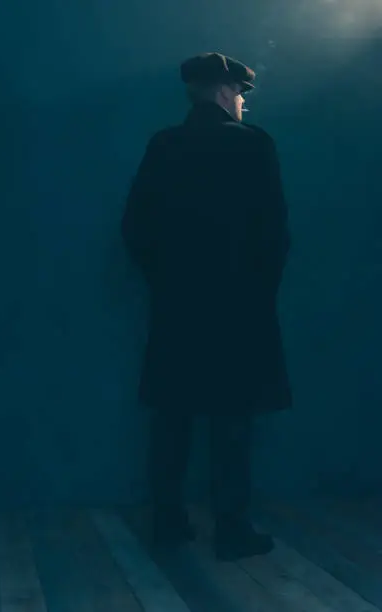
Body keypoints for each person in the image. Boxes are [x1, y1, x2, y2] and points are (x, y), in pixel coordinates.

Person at [121, 52, 292, 561]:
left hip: (177, 305)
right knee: (232, 420)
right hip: (239, 307)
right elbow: (275, 234)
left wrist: (165, 283)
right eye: (241, 92)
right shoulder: (254, 144)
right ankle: (231, 528)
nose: (242, 101)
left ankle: (168, 522)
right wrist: (257, 292)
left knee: (172, 416)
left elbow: (136, 229)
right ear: (224, 90)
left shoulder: (164, 145)